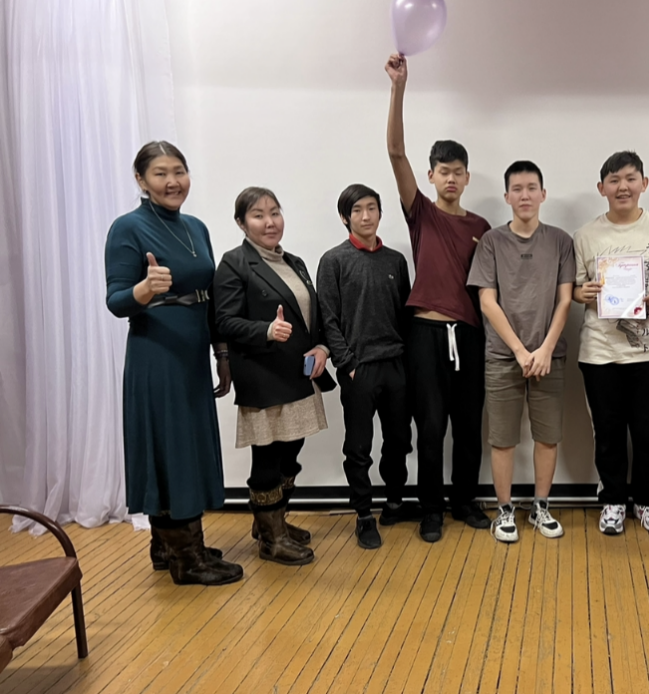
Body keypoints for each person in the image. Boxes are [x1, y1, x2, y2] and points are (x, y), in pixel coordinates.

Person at [104, 141, 242, 586]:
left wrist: (221, 354)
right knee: (170, 447)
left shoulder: (196, 227)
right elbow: (116, 300)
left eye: (179, 171)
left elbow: (210, 297)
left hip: (193, 353)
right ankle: (188, 558)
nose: (172, 181)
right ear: (141, 180)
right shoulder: (127, 228)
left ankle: (167, 545)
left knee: (188, 444)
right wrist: (145, 289)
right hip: (157, 355)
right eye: (160, 173)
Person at [385, 53, 492, 542]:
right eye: (443, 171)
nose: (451, 178)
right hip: (425, 333)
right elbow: (395, 153)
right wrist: (398, 87)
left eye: (458, 171)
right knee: (429, 426)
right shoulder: (421, 213)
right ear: (430, 176)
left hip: (469, 334)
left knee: (468, 424)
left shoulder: (482, 227)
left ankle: (464, 500)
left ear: (467, 177)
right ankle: (430, 507)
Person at [214, 187, 336, 566]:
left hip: (298, 375)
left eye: (275, 212)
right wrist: (265, 330)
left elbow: (311, 317)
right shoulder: (234, 263)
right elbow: (223, 321)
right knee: (268, 460)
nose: (270, 222)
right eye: (258, 215)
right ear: (241, 223)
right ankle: (271, 540)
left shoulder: (293, 261)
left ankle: (273, 522)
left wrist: (322, 347)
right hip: (264, 376)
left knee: (290, 454)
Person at [573, 151, 649, 536]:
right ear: (601, 188)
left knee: (648, 433)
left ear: (644, 183)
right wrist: (585, 293)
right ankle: (613, 501)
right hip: (600, 351)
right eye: (614, 180)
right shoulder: (585, 235)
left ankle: (648, 501)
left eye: (630, 178)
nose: (623, 187)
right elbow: (573, 289)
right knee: (607, 433)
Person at [467, 161, 575, 543]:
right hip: (502, 355)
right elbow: (487, 301)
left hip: (549, 355)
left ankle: (540, 506)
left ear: (543, 194)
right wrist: (519, 350)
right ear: (506, 196)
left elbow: (566, 300)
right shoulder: (491, 241)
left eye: (531, 188)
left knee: (547, 436)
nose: (525, 195)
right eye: (517, 188)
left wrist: (544, 350)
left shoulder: (560, 240)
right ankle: (504, 510)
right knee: (503, 438)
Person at [316, 184, 418, 550]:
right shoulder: (334, 260)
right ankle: (363, 515)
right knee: (359, 446)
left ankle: (394, 503)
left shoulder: (395, 261)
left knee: (399, 441)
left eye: (371, 208)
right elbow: (328, 319)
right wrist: (348, 364)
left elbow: (405, 314)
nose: (365, 216)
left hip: (395, 365)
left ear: (380, 213)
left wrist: (407, 361)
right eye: (357, 210)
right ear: (345, 217)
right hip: (359, 369)